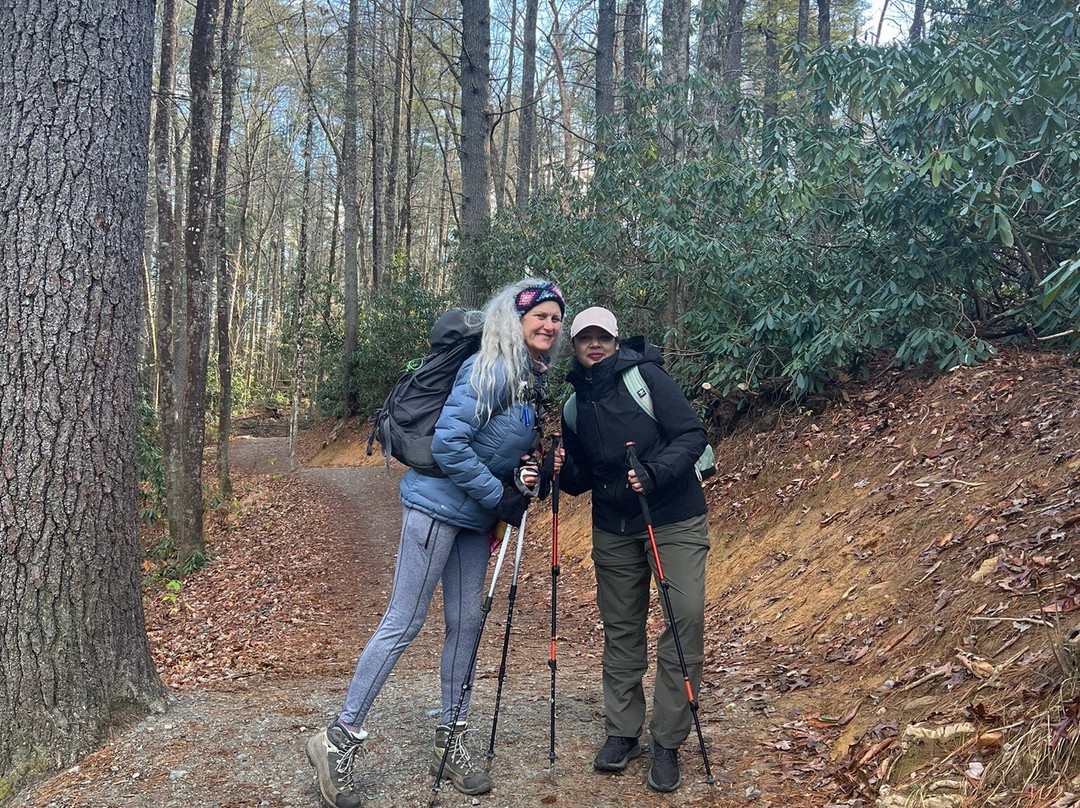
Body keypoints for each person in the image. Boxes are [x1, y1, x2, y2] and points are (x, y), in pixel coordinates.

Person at [307, 279, 565, 808]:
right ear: (514, 320)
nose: (550, 325)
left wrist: (519, 479)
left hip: (472, 517)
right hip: (435, 509)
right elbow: (448, 443)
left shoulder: (524, 379)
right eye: (540, 315)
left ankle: (452, 739)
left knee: (466, 623)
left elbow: (488, 445)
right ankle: (336, 739)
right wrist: (499, 494)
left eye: (556, 318)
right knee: (405, 621)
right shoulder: (489, 367)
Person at [555, 306, 710, 793]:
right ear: (576, 347)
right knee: (622, 628)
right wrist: (556, 467)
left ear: (616, 342)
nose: (594, 345)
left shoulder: (647, 379)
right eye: (586, 339)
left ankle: (666, 741)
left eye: (603, 337)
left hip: (673, 517)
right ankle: (623, 732)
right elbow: (581, 479)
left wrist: (655, 471)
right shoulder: (573, 405)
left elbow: (691, 435)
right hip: (613, 527)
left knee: (683, 620)